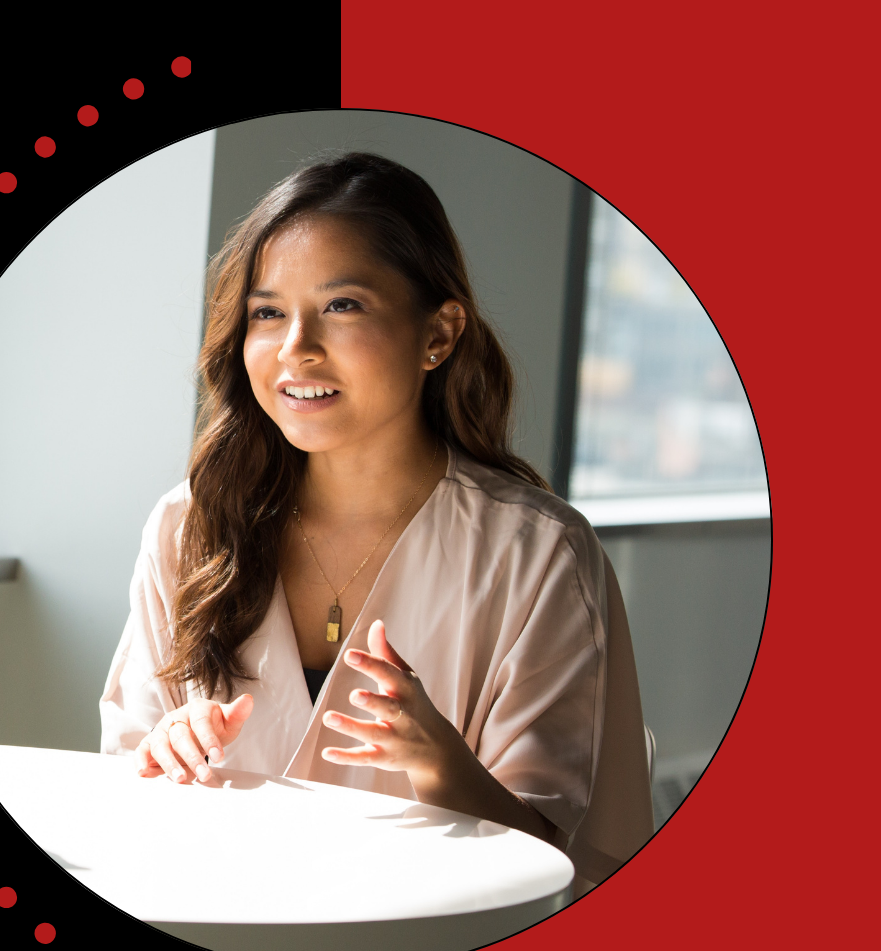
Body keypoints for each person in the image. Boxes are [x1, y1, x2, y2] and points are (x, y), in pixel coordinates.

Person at [99, 152, 652, 893]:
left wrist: (439, 764)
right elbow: (121, 783)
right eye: (267, 313)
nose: (296, 347)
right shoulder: (187, 525)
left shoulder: (537, 551)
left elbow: (549, 861)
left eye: (343, 306)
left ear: (439, 334)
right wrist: (166, 751)